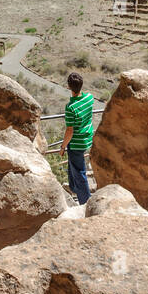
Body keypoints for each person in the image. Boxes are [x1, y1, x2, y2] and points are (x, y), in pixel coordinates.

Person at [59, 71, 95, 205]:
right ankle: (75, 189)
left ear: (69, 87)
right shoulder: (89, 98)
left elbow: (69, 131)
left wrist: (62, 147)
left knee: (80, 173)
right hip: (87, 138)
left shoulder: (70, 108)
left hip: (76, 143)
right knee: (74, 168)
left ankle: (86, 203)